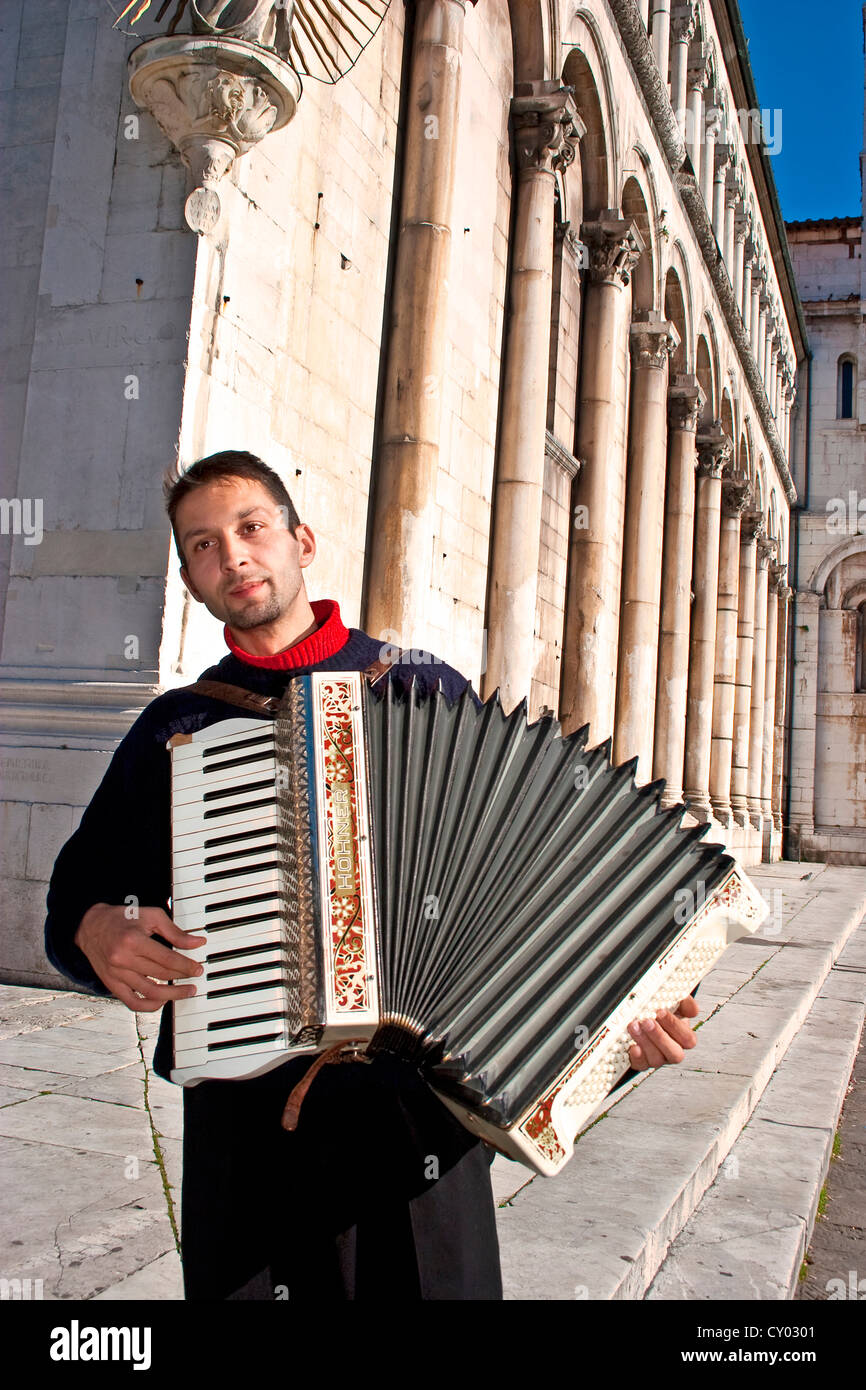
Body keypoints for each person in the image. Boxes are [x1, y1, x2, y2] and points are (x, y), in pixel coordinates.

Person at [44, 449, 701, 1301]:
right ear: (189, 579)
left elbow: (544, 886)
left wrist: (626, 1021)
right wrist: (98, 932)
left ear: (301, 541)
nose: (233, 557)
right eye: (203, 546)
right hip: (249, 1133)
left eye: (250, 529)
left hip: (418, 1130)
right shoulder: (180, 729)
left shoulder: (424, 690)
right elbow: (73, 898)